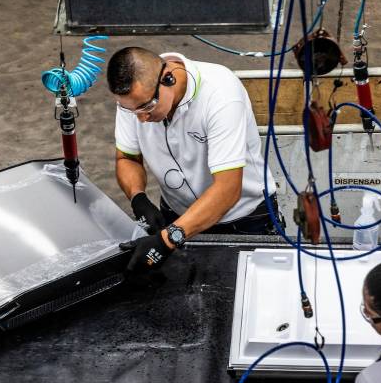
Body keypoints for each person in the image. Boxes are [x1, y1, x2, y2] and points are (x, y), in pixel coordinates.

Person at [106, 47, 281, 272]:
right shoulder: (134, 102)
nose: (140, 118)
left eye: (146, 107)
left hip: (244, 219)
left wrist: (167, 239)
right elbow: (127, 158)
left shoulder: (220, 93)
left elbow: (228, 189)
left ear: (168, 78)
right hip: (175, 214)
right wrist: (138, 198)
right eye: (130, 111)